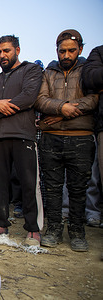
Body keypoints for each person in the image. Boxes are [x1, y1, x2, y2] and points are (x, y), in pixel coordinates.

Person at [35, 30, 98, 252]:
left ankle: (77, 231)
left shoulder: (87, 71)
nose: (66, 55)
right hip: (51, 138)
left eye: (71, 50)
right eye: (62, 51)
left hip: (80, 137)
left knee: (78, 188)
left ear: (80, 49)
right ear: (57, 51)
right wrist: (61, 107)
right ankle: (53, 228)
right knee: (51, 187)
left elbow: (93, 98)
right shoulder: (49, 72)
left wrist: (64, 111)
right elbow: (41, 100)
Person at [0, 35, 43, 246]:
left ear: (17, 49)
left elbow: (28, 97)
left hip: (22, 134)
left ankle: (33, 229)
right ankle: (1, 224)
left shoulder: (31, 70)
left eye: (6, 50)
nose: (2, 55)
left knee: (28, 183)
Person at [82, 44, 103, 227]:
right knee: (95, 176)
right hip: (99, 126)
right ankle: (92, 212)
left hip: (87, 129)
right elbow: (92, 79)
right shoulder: (99, 52)